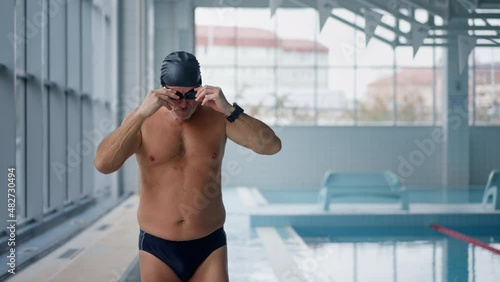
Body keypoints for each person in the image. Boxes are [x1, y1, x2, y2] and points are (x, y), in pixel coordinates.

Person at [93, 51, 282, 282]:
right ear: (162, 91)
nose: (183, 104)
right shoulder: (142, 121)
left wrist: (230, 110)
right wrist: (141, 113)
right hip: (157, 249)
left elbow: (271, 146)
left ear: (200, 88)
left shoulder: (218, 117)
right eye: (175, 95)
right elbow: (103, 164)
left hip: (209, 246)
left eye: (190, 94)